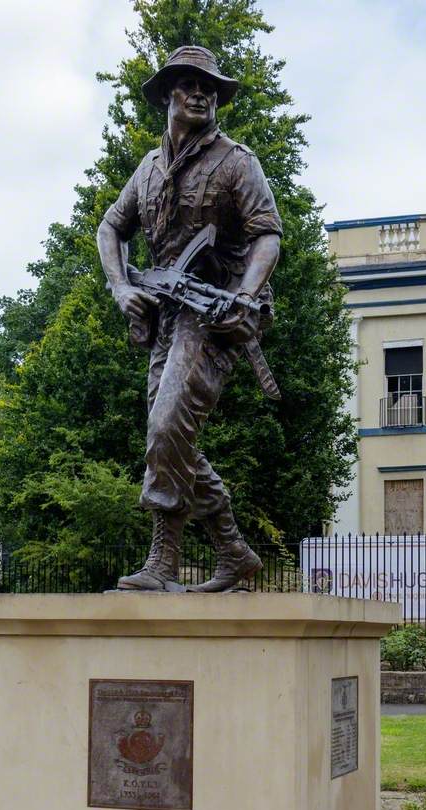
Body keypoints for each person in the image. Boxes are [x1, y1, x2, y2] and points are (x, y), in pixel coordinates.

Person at [96, 45, 282, 591]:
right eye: (189, 84)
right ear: (168, 96)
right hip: (164, 314)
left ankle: (163, 562)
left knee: (164, 426)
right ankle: (233, 551)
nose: (201, 93)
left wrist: (246, 295)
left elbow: (267, 234)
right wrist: (120, 287)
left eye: (210, 87)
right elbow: (111, 228)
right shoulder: (148, 169)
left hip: (216, 313)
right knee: (168, 435)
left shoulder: (236, 161)